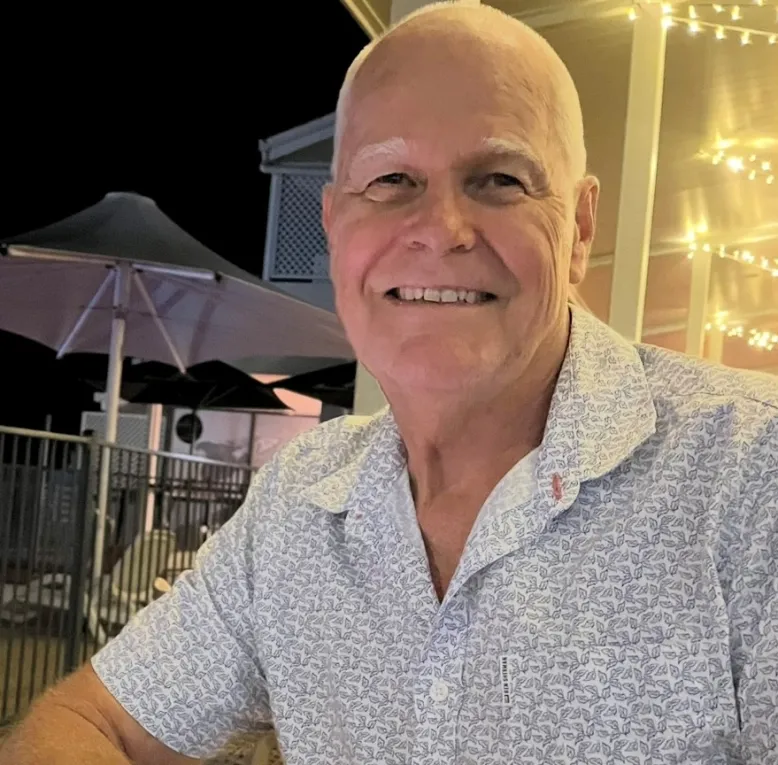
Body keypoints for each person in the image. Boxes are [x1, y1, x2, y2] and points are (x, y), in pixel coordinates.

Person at [2, 3, 778, 764]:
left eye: (500, 179)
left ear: (578, 227)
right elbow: (90, 721)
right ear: (336, 227)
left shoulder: (751, 477)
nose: (441, 227)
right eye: (393, 179)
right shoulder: (298, 506)